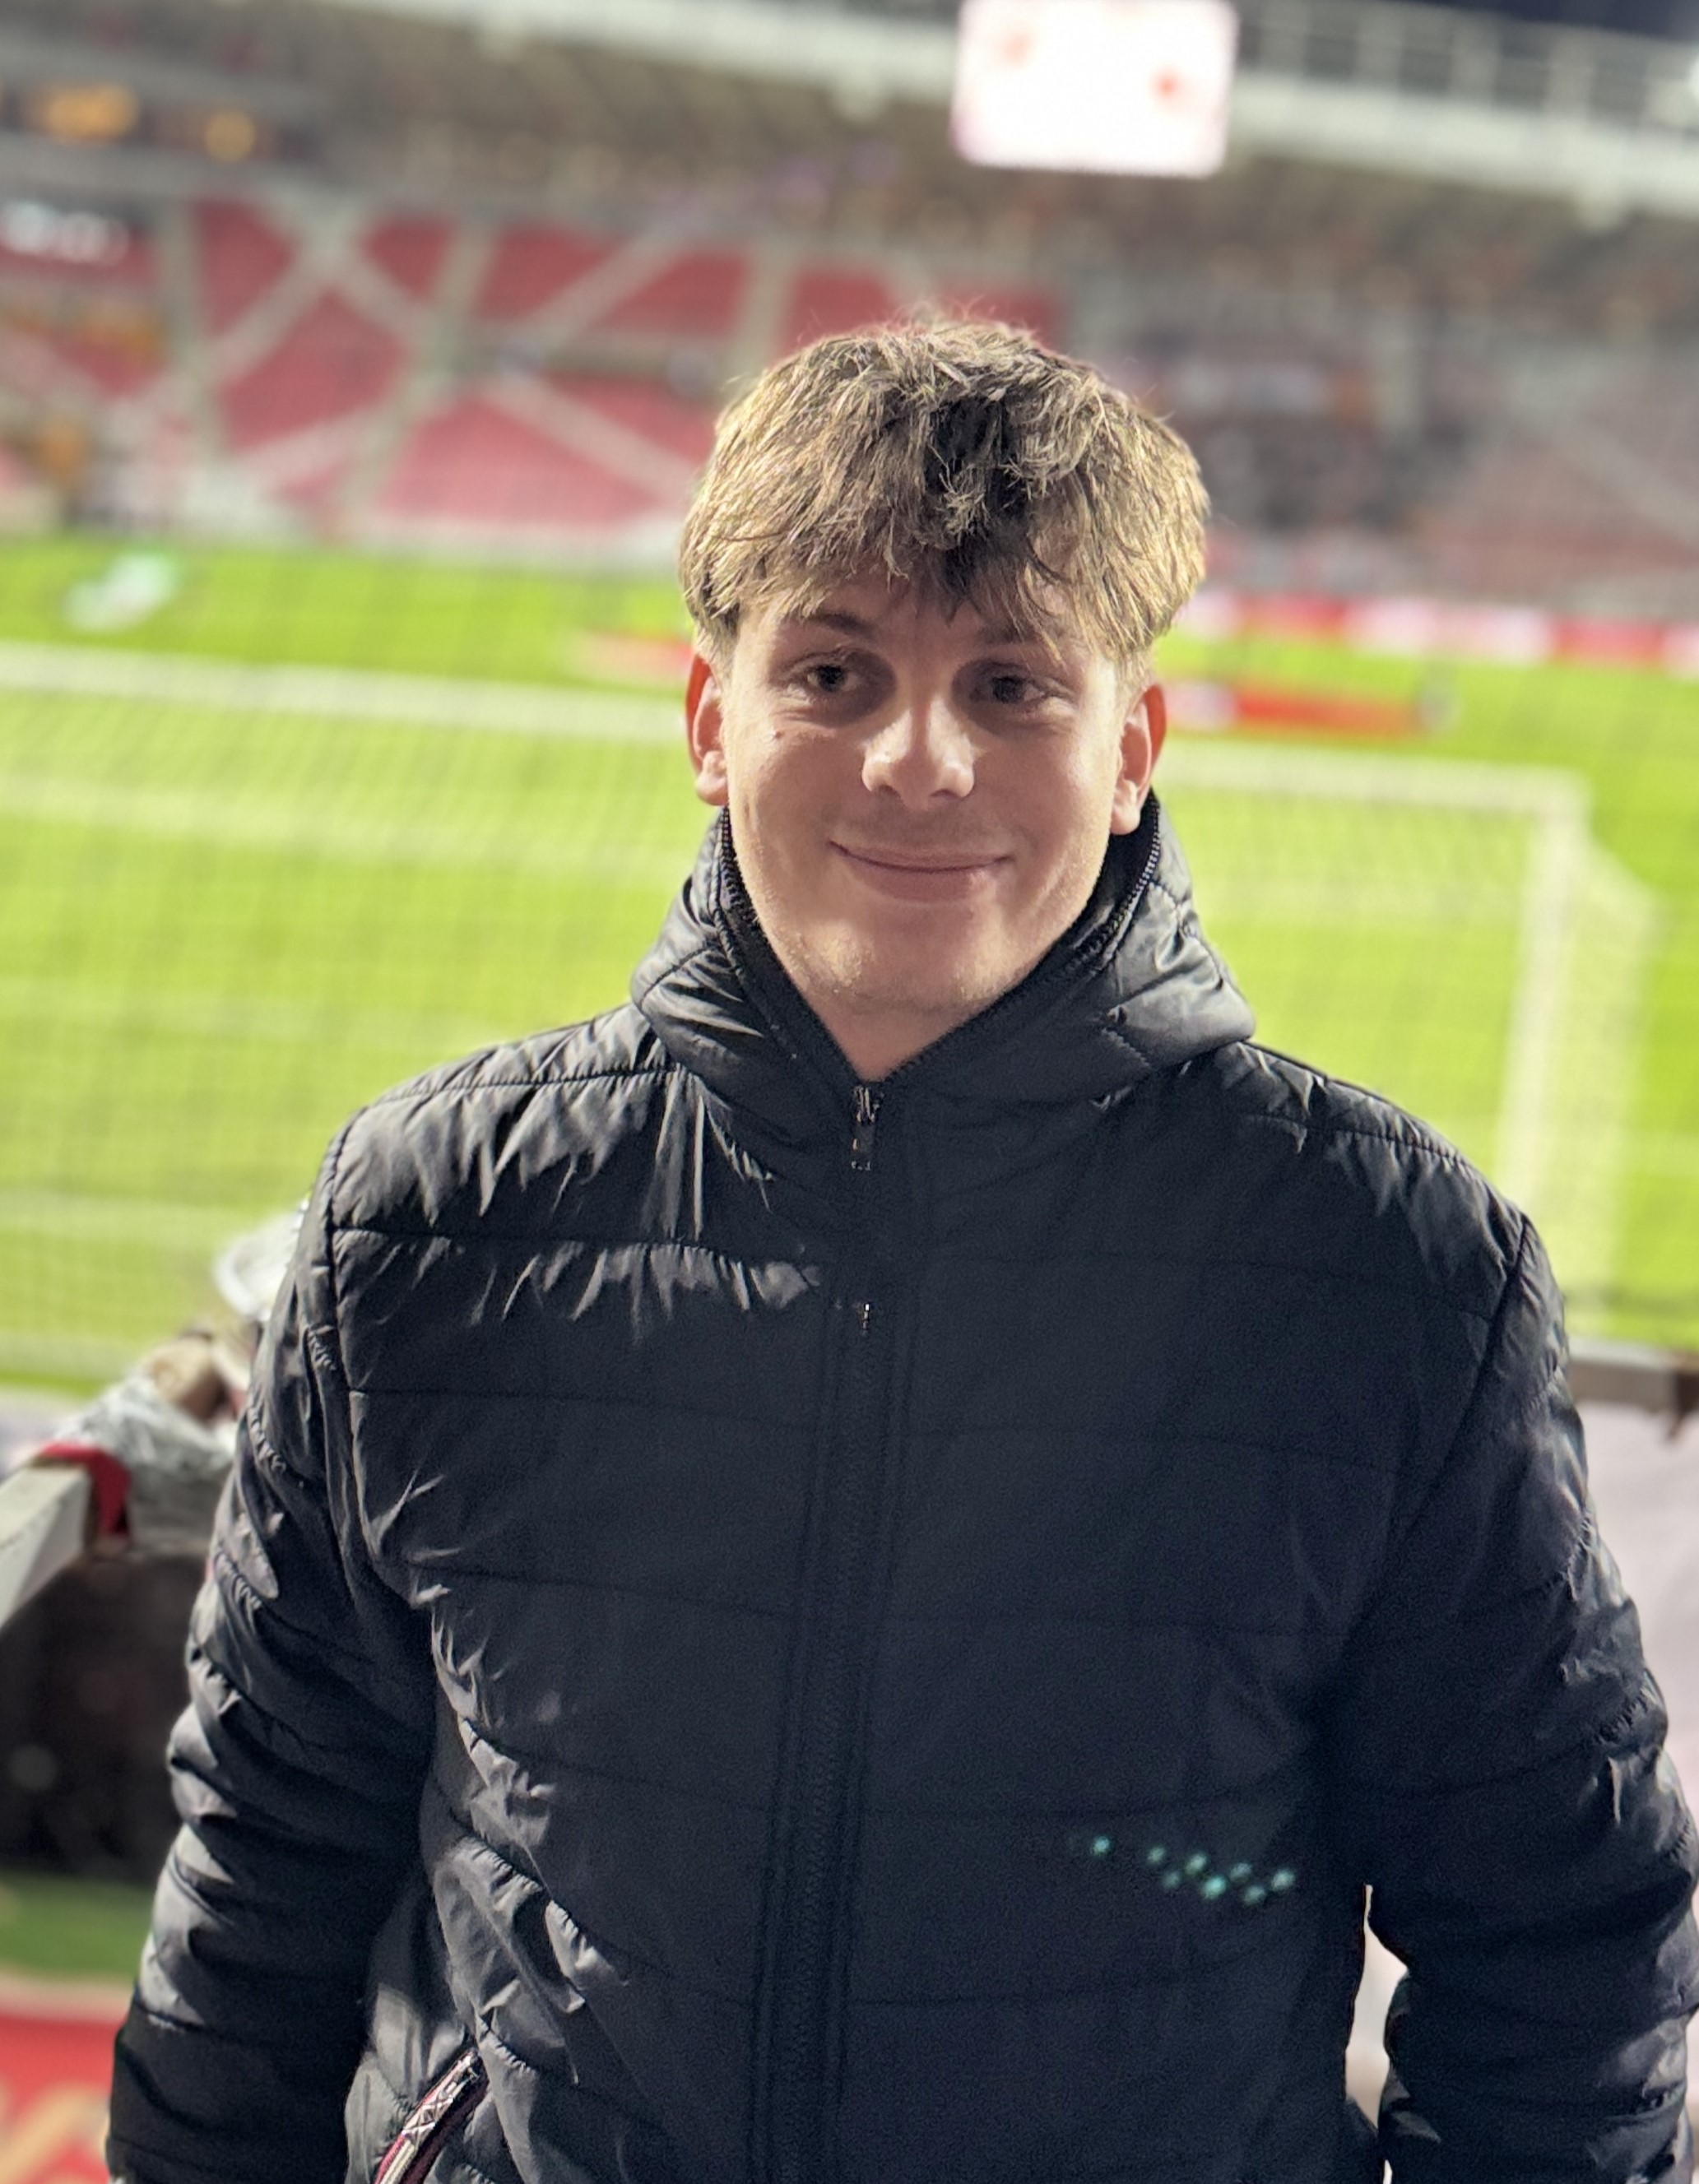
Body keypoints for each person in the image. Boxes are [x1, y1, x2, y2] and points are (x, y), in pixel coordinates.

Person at [107, 322, 1697, 2184]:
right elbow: (268, 1862)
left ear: (1131, 748)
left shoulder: (1398, 1272)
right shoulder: (422, 1220)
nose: (918, 760)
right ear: (711, 725)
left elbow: (1558, 1945)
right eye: (833, 672)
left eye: (1010, 684)